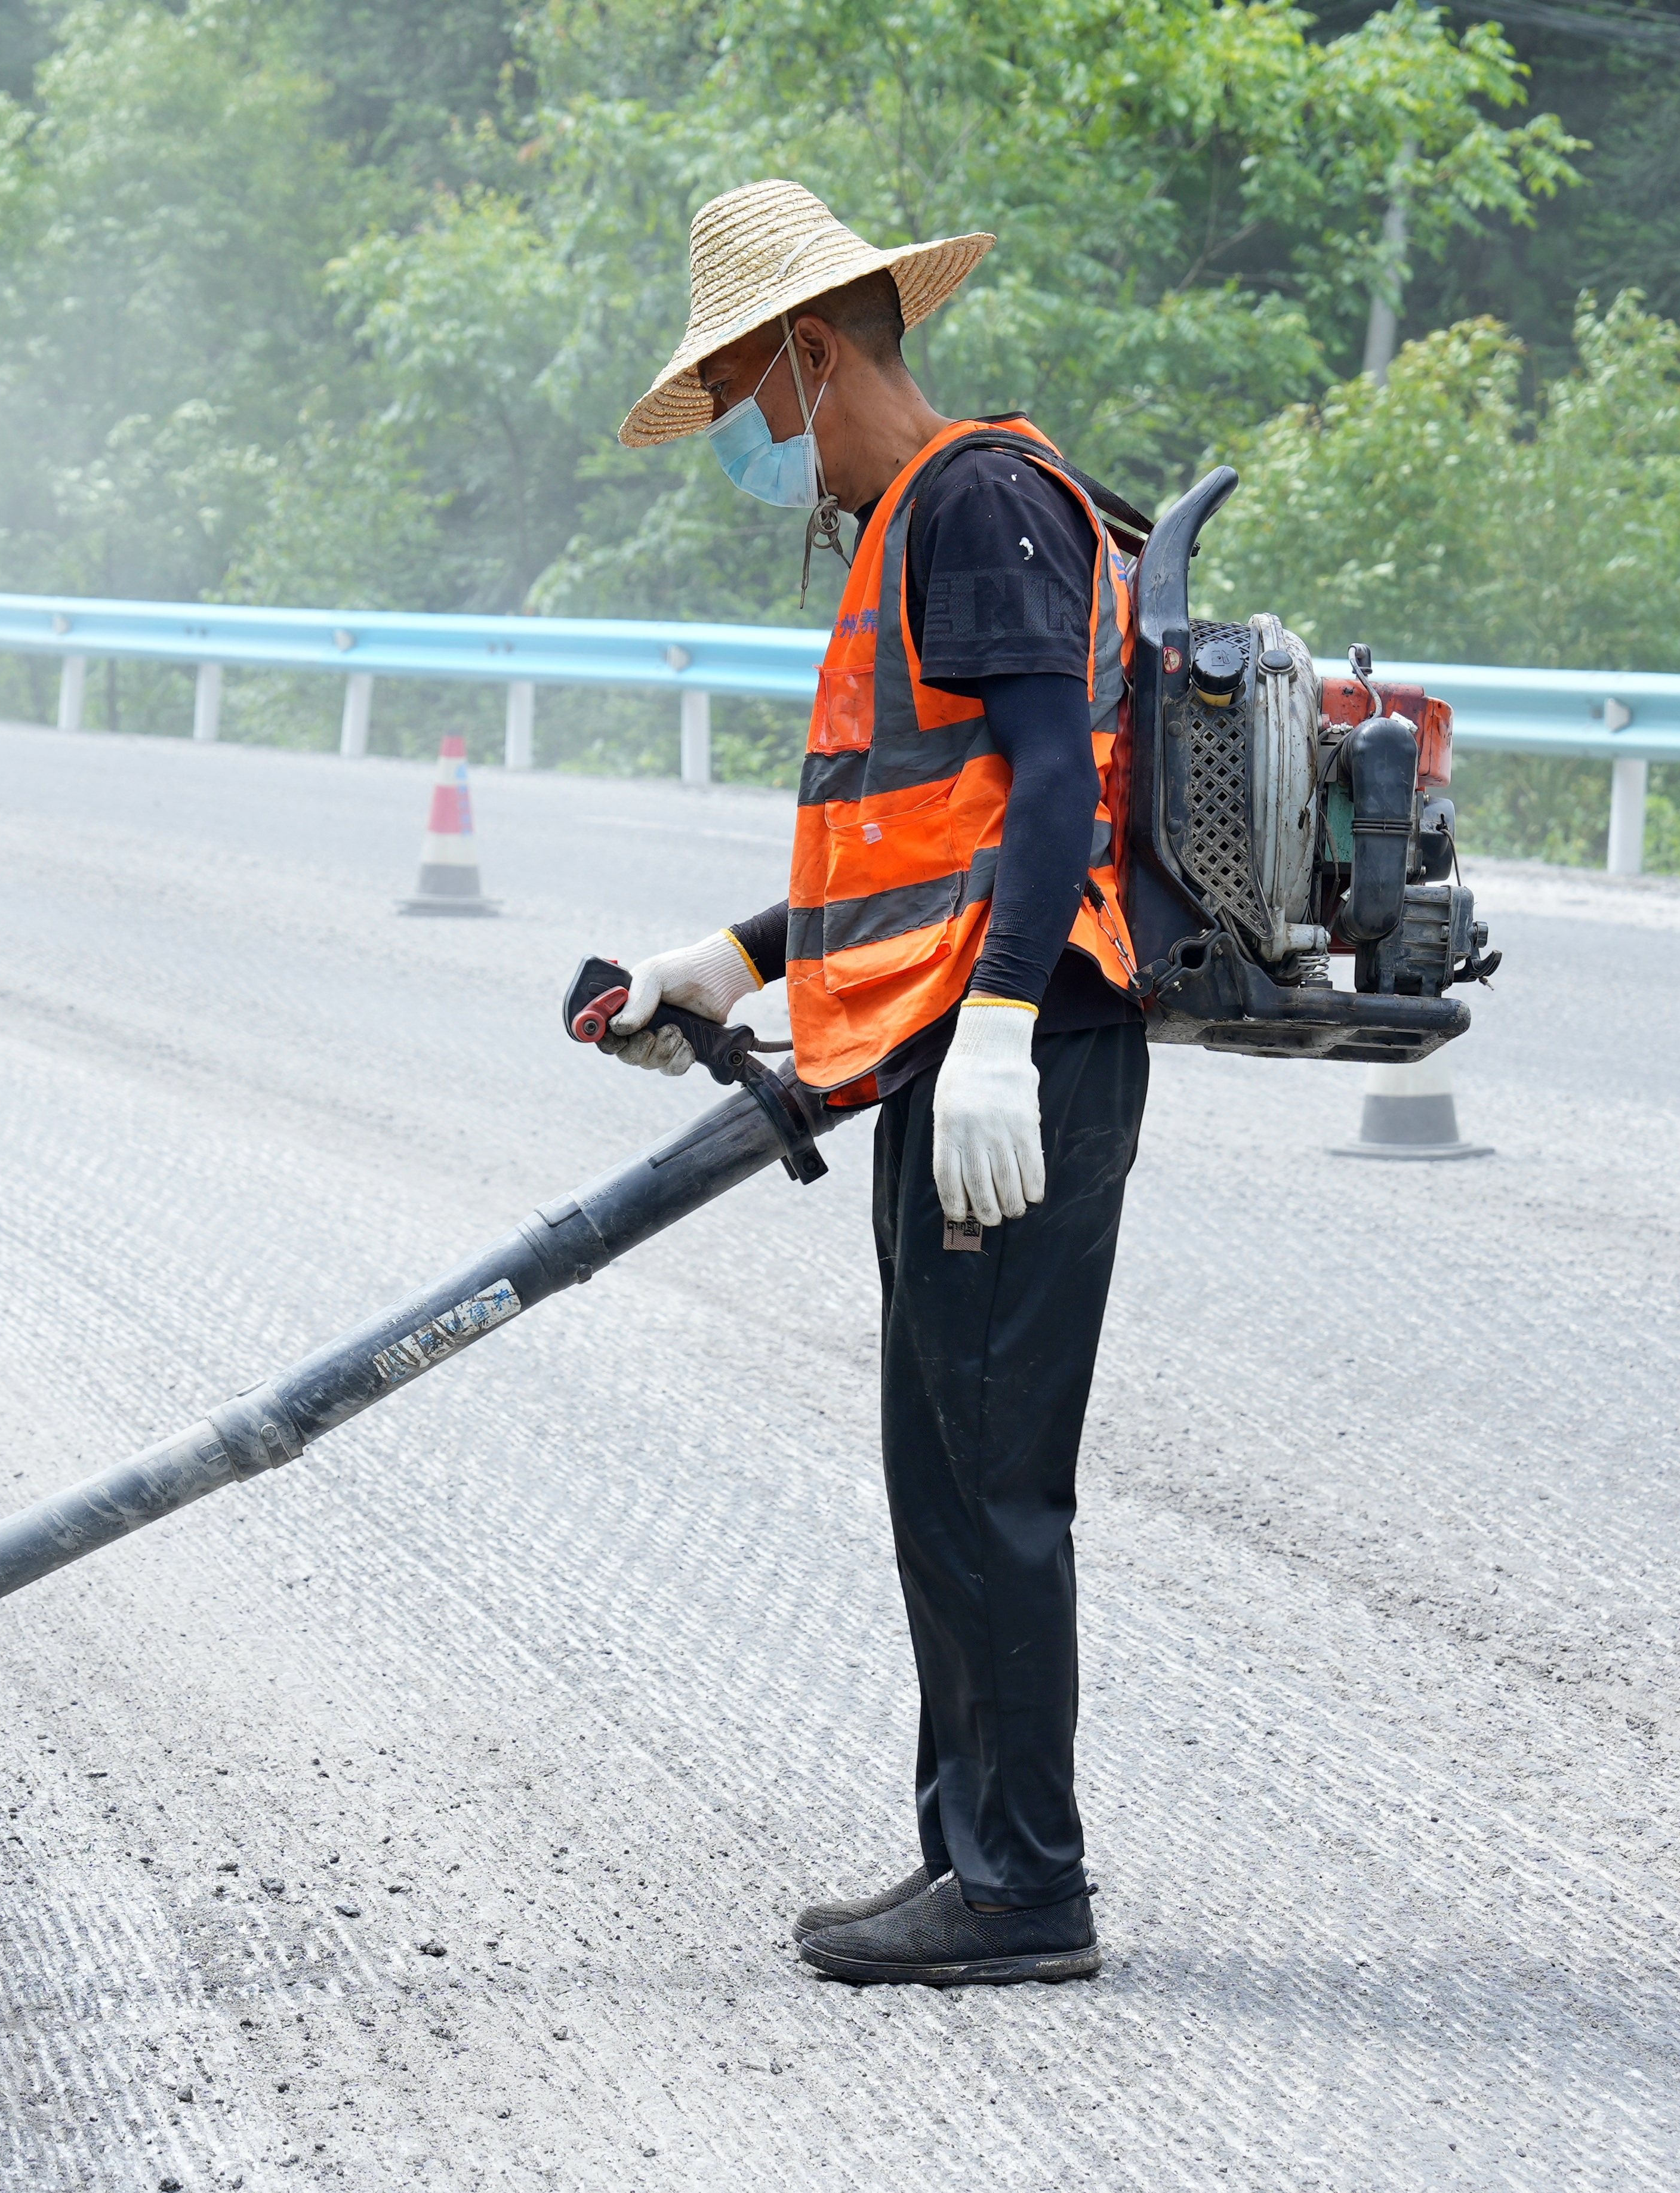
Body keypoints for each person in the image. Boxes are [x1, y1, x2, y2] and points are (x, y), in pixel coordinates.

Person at [600, 180, 1147, 1988]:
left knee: (988, 1477)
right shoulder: (920, 518)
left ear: (810, 355)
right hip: (963, 1049)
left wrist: (998, 1025)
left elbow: (1061, 781)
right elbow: (925, 832)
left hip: (1020, 1057)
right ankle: (972, 1861)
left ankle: (1022, 1891)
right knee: (943, 1468)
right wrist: (736, 962)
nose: (751, 447)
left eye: (748, 401)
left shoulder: (974, 499)